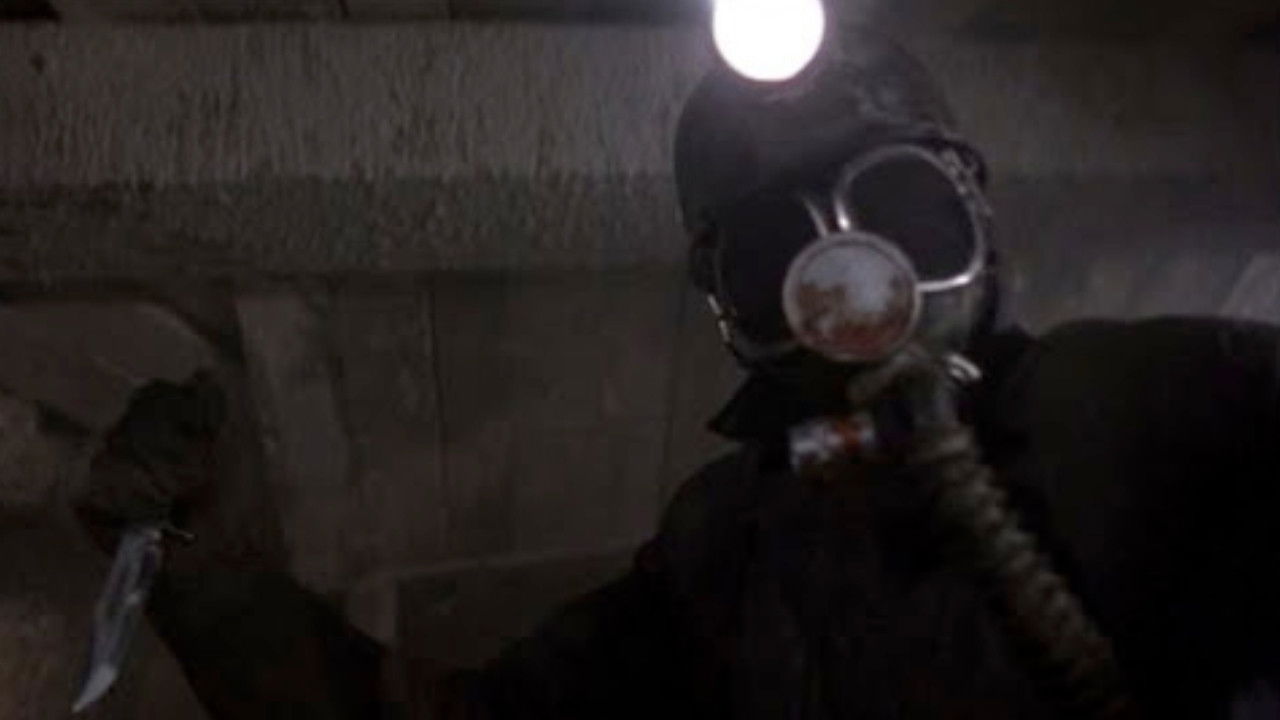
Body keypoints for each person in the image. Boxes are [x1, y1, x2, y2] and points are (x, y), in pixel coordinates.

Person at [75, 25, 1280, 720]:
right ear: (727, 304)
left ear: (974, 208)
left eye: (896, 204)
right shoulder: (733, 548)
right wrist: (206, 571)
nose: (846, 270)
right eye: (773, 251)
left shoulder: (1146, 403)